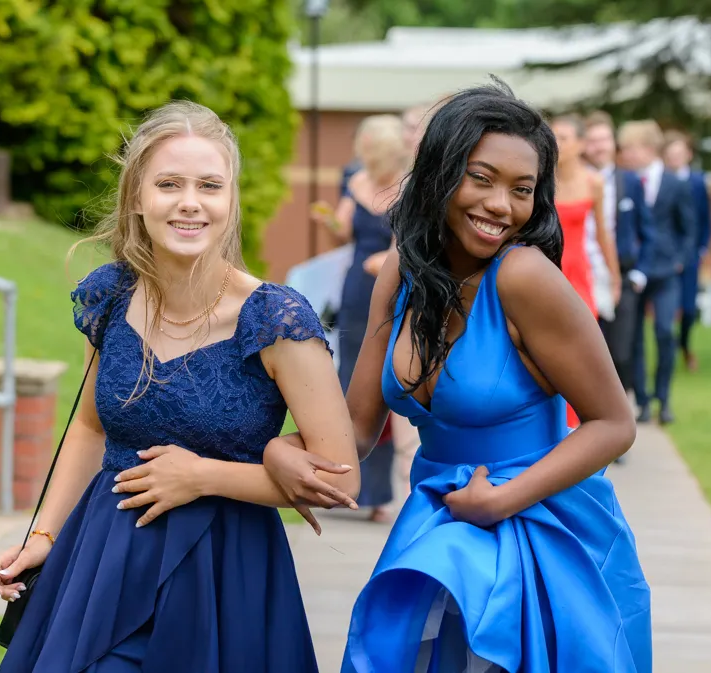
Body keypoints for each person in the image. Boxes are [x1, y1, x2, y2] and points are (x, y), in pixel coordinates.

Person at [267, 80, 651, 672]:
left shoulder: (525, 278)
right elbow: (357, 431)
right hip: (440, 517)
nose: (502, 205)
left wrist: (501, 502)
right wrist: (280, 450)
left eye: (522, 190)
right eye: (482, 178)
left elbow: (614, 423)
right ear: (440, 173)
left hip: (538, 526)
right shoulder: (401, 270)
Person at [0, 100, 361, 673]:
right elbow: (88, 427)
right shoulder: (110, 296)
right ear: (139, 197)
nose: (190, 202)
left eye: (210, 185)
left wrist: (204, 475)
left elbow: (341, 477)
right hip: (105, 557)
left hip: (224, 572)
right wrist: (44, 535)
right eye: (169, 184)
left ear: (231, 200)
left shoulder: (277, 319)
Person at [310, 114, 411, 522]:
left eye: (372, 150)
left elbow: (402, 244)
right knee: (348, 379)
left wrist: (386, 261)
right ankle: (341, 482)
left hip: (386, 288)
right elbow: (344, 232)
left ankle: (379, 494)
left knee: (379, 387)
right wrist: (328, 221)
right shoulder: (356, 181)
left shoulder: (406, 188)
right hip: (355, 287)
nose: (365, 157)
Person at [618, 120, 697, 425]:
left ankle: (664, 398)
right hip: (634, 271)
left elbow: (688, 228)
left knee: (665, 331)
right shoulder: (625, 181)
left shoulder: (675, 183)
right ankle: (643, 400)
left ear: (649, 148)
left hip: (666, 271)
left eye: (632, 148)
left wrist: (681, 259)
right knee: (633, 338)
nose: (627, 154)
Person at [550, 114, 620, 427]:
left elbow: (604, 235)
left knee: (580, 352)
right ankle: (551, 422)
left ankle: (582, 422)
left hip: (579, 274)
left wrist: (614, 278)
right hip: (547, 271)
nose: (557, 145)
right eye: (554, 137)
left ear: (580, 144)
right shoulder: (542, 180)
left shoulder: (595, 183)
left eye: (564, 138)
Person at [583, 111, 656, 395]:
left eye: (604, 139)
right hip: (584, 274)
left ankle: (618, 408)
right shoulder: (575, 181)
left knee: (621, 351)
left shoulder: (631, 182)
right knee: (587, 347)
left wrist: (640, 272)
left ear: (613, 143)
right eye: (593, 140)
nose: (599, 146)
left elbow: (647, 233)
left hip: (623, 277)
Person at [663, 130, 711, 372]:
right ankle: (668, 348)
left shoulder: (697, 182)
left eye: (679, 154)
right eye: (670, 155)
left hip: (691, 254)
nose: (675, 159)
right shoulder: (660, 181)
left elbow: (705, 218)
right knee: (667, 308)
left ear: (688, 155)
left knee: (689, 308)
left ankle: (684, 344)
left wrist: (702, 247)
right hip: (665, 255)